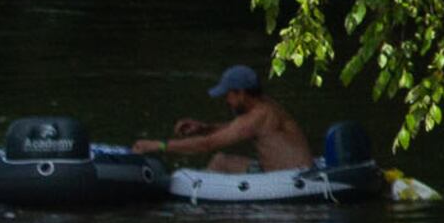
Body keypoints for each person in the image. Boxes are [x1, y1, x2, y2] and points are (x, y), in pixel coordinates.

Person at [132, 67, 311, 174]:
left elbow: (207, 145)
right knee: (221, 160)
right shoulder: (266, 106)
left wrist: (158, 145)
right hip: (288, 171)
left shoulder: (257, 116)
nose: (226, 100)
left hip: (289, 177)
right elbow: (236, 128)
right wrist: (204, 128)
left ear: (240, 93)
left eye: (228, 95)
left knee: (220, 161)